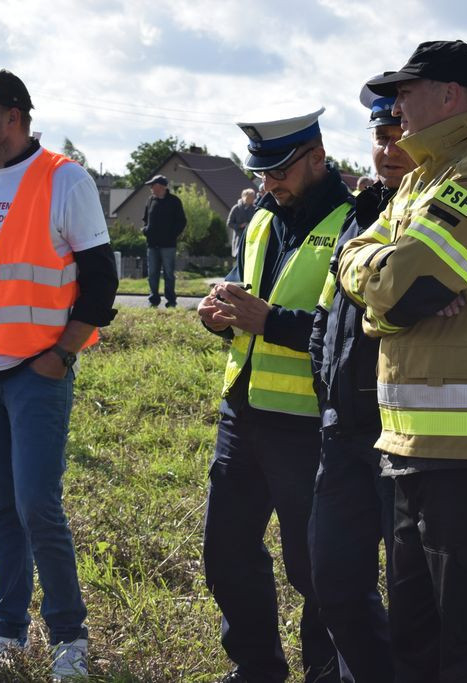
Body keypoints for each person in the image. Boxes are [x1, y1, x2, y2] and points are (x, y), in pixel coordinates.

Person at [338, 40, 467, 681]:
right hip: (410, 447)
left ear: (450, 96)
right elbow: (350, 258)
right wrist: (383, 304)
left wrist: (384, 299)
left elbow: (401, 284)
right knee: (417, 647)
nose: (395, 104)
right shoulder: (424, 178)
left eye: (406, 90)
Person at [0, 68, 118, 678]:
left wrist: (60, 355)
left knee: (38, 503)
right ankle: (6, 635)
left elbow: (101, 284)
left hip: (34, 372)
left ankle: (70, 639)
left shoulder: (66, 180)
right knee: (1, 507)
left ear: (12, 116)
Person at [197, 105, 352, 683]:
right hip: (241, 410)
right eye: (263, 173)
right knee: (226, 553)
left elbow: (347, 330)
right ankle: (257, 668)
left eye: (281, 170)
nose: (270, 183)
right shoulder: (262, 217)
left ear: (318, 157)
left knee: (316, 568)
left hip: (310, 422)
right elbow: (249, 304)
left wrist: (269, 321)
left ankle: (327, 673)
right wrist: (222, 317)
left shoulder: (356, 223)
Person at [308, 75, 416, 682]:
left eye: (400, 133)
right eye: (381, 134)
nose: (389, 146)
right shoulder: (360, 215)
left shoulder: (430, 211)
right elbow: (328, 312)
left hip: (405, 437)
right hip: (343, 434)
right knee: (334, 585)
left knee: (412, 597)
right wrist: (328, 395)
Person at [142, 174, 186, 308]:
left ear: (161, 186)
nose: (150, 188)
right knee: (152, 274)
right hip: (152, 245)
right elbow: (145, 219)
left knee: (168, 274)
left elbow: (182, 221)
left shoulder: (174, 201)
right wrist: (146, 230)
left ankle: (171, 301)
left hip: (168, 246)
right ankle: (153, 299)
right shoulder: (150, 200)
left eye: (152, 185)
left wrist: (172, 235)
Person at [226, 187, 257, 258]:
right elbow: (229, 223)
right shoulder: (236, 209)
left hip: (251, 238)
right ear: (244, 197)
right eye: (250, 197)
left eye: (253, 197)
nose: (252, 199)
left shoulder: (255, 209)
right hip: (239, 238)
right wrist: (240, 226)